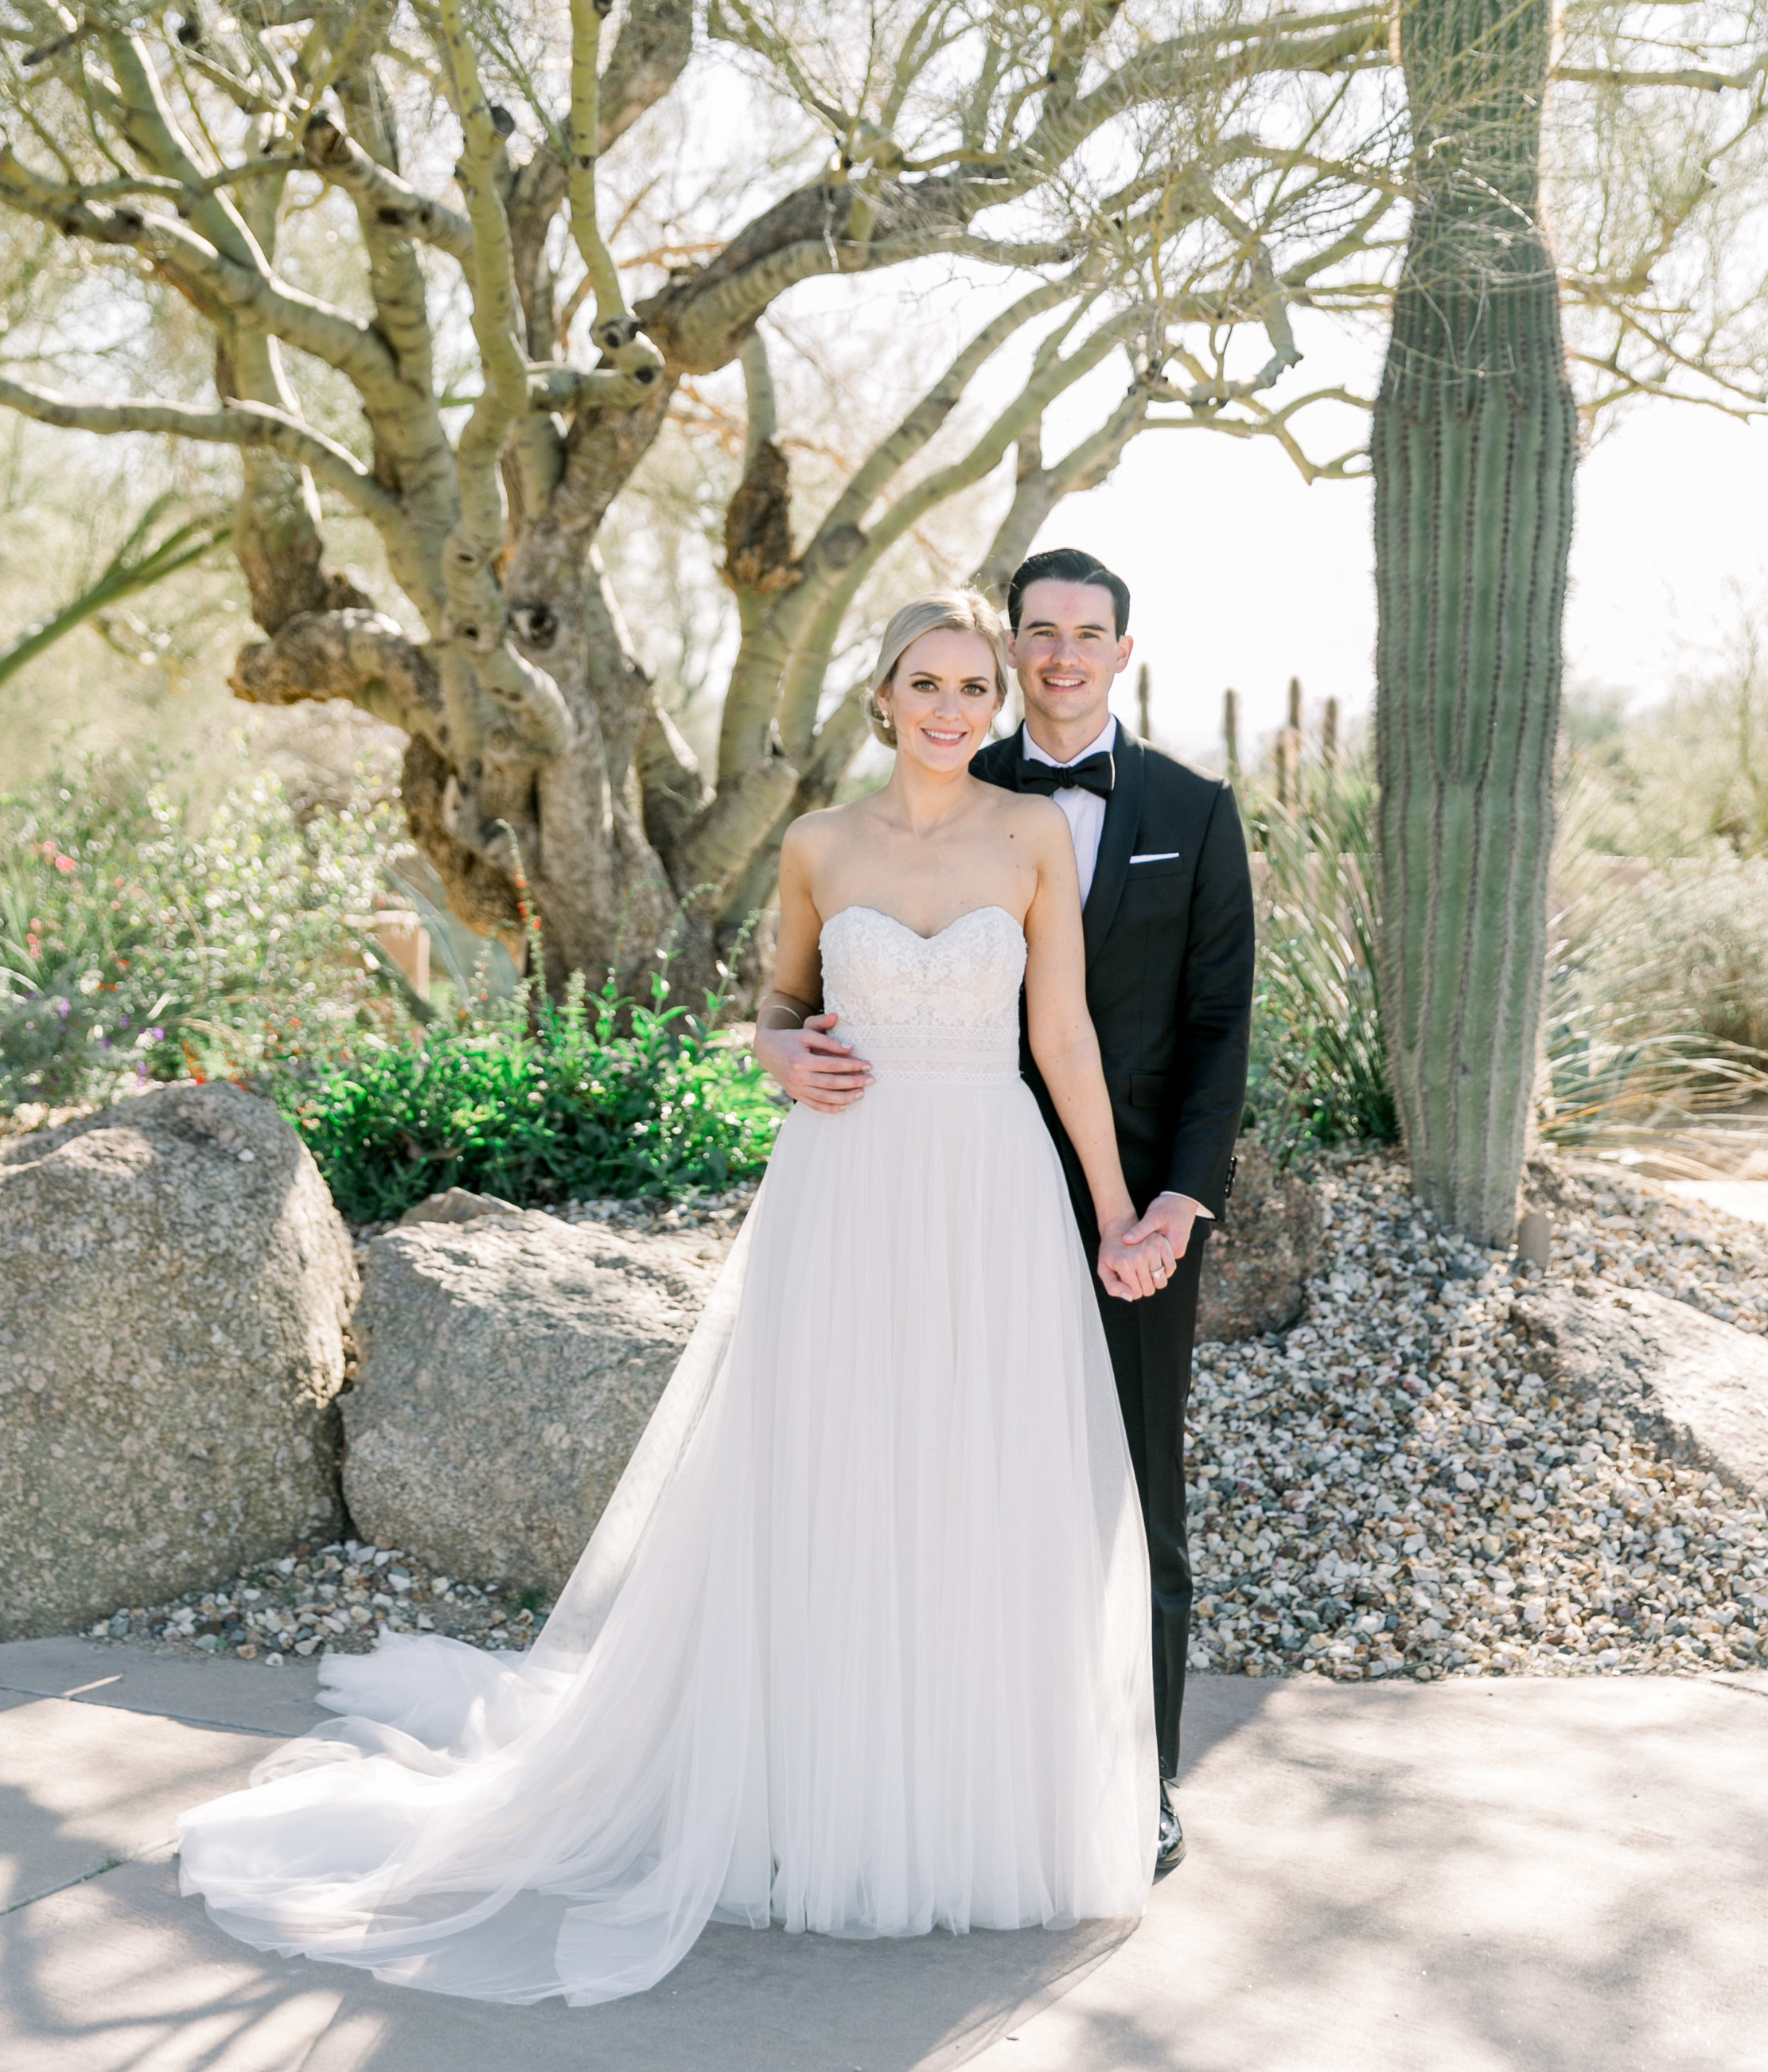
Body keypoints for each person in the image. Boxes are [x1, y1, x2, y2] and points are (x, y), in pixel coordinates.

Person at [175, 588, 1167, 2006]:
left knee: (979, 1479)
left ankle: (966, 1810)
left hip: (995, 1187)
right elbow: (772, 1009)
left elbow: (1060, 1033)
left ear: (998, 704)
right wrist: (779, 1060)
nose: (952, 708)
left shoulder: (1031, 840)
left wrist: (1115, 1204)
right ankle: (813, 1802)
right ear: (881, 697)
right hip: (850, 1181)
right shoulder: (822, 846)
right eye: (926, 683)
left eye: (975, 686)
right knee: (833, 1476)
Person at [781, 550, 1254, 1875]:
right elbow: (794, 987)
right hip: (926, 1199)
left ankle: (1145, 1778)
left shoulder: (1194, 809)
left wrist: (1168, 1206)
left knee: (1130, 1493)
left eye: (1083, 636)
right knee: (928, 1485)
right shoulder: (942, 790)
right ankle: (930, 1775)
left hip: (1127, 1211)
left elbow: (1219, 1030)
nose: (1057, 659)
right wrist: (778, 1048)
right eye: (1034, 635)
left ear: (1120, 651)